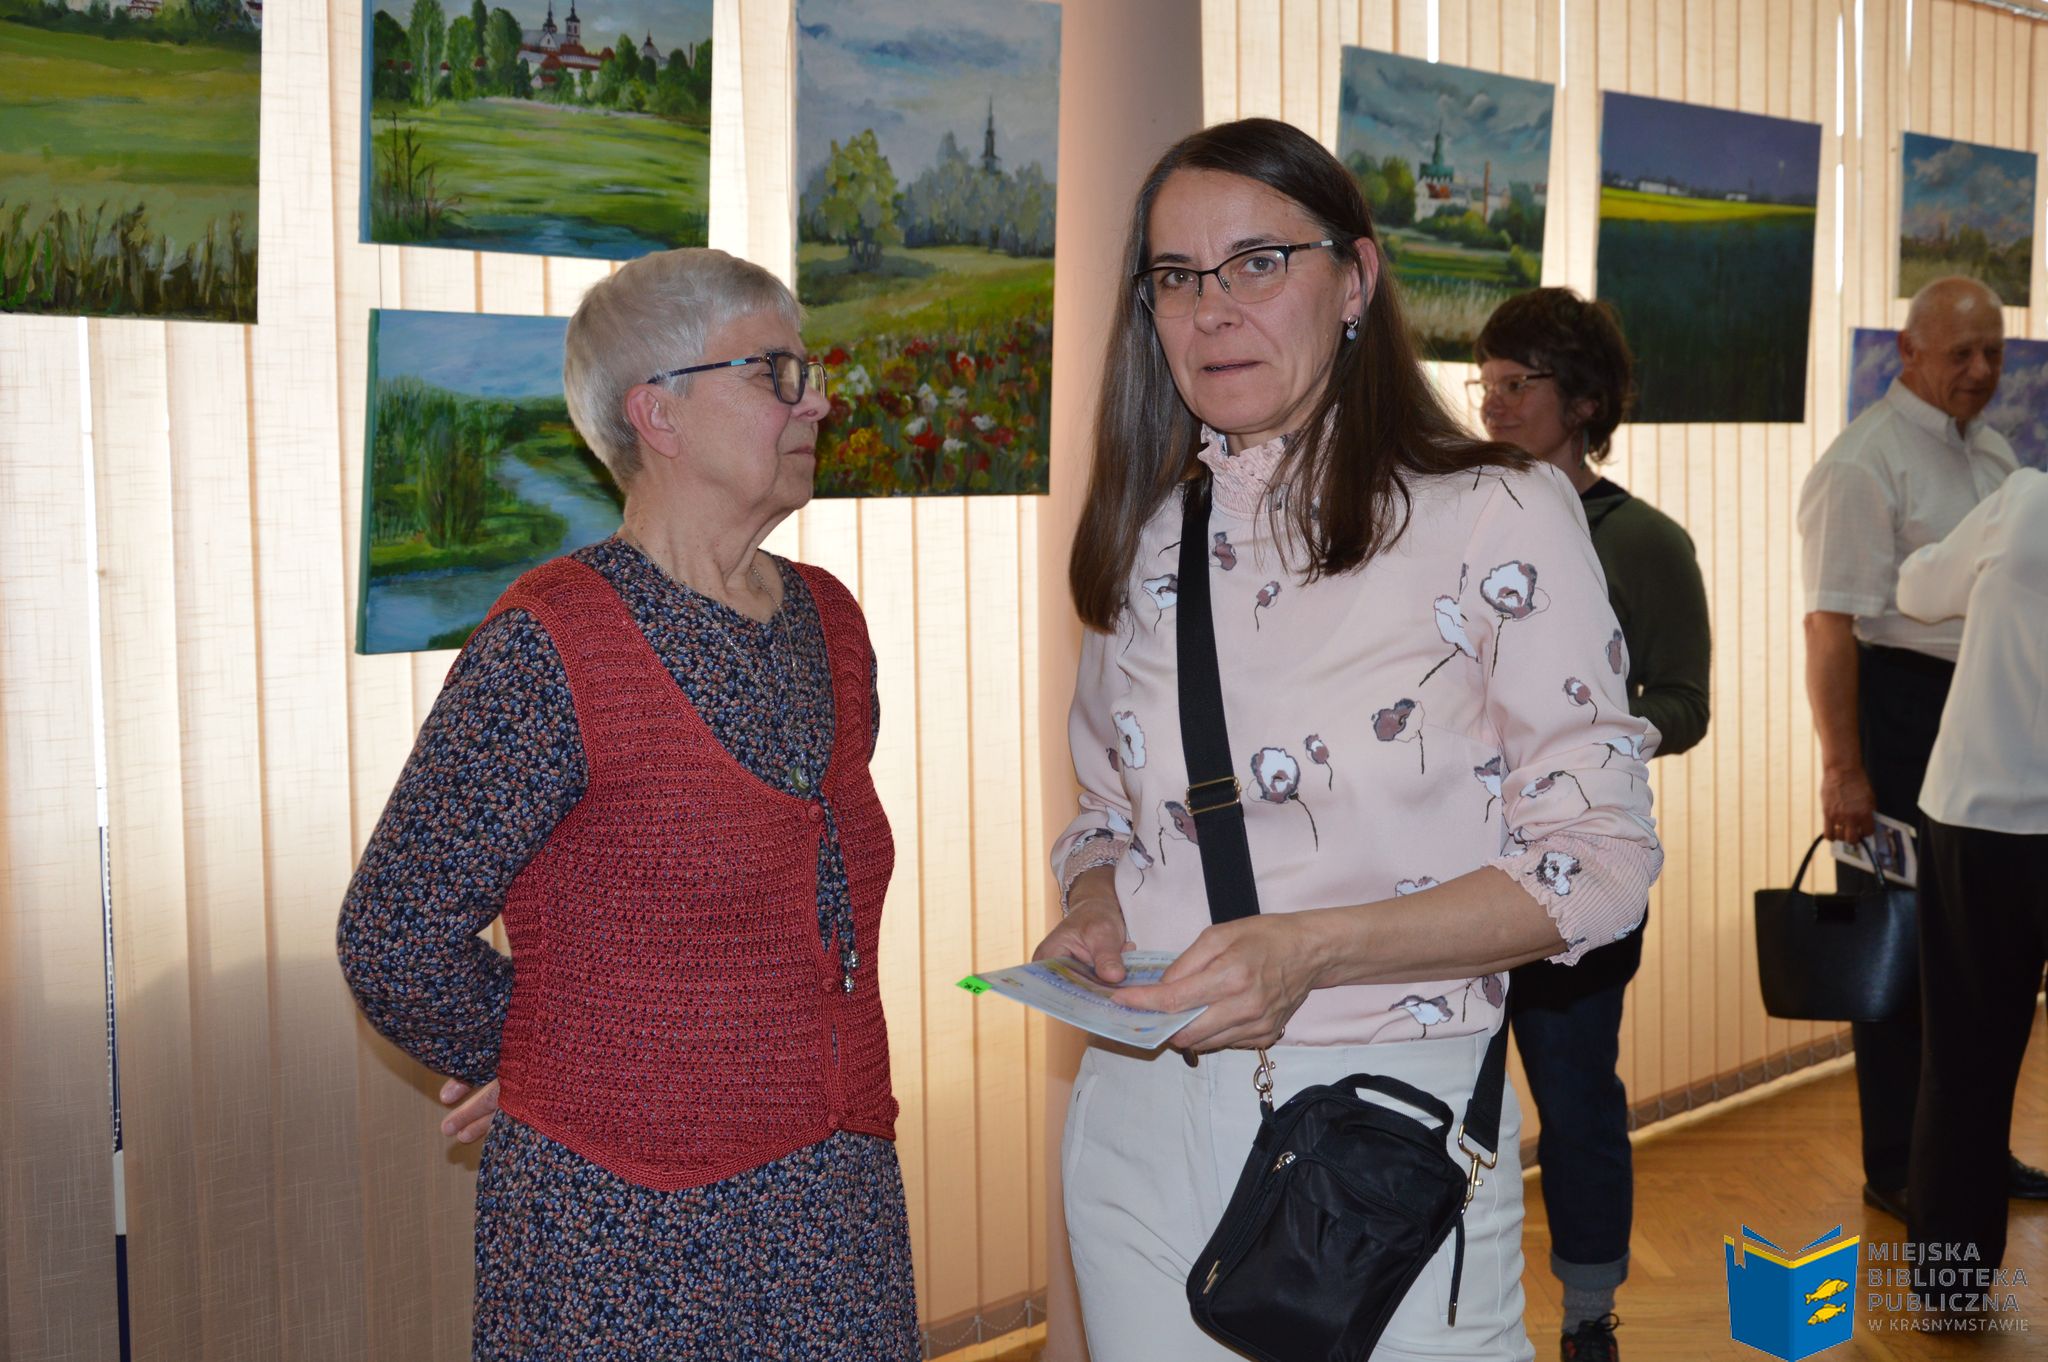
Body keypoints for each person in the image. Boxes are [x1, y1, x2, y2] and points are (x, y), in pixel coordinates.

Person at [1036, 118, 1663, 1362]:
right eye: (1176, 277)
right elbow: (1105, 815)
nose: (1213, 309)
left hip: (1377, 1134)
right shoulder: (1143, 531)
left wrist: (1311, 951)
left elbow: (1598, 863)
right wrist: (1094, 906)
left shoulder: (1493, 513)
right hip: (1135, 1121)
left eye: (1257, 262)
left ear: (1355, 279)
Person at [337, 248, 918, 1361]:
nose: (818, 400)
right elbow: (394, 933)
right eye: (777, 372)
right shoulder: (552, 645)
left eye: (809, 370)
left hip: (836, 1204)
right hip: (625, 1228)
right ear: (658, 412)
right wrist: (555, 1061)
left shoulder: (829, 624)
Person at [1473, 288, 1710, 1362]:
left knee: (1575, 1104)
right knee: (1451, 1107)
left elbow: (1685, 703)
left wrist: (1591, 734)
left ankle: (1586, 1316)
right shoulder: (1455, 519)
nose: (1492, 404)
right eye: (1483, 383)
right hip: (1454, 876)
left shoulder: (1646, 543)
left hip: (1578, 870)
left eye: (1515, 383)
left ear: (1580, 402)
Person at [1796, 275, 2048, 1222]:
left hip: (1980, 717)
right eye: (1960, 353)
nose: (1981, 371)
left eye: (1994, 353)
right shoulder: (1863, 463)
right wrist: (1843, 768)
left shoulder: (1994, 451)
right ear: (1907, 352)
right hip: (1896, 716)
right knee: (1902, 954)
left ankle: (1968, 1159)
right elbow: (1829, 629)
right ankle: (1900, 1165)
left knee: (1976, 972)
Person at [1896, 465, 2048, 1274]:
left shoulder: (2023, 500)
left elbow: (1918, 591)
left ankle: (1952, 1281)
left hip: (1980, 817)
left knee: (1963, 1060)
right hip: (1983, 816)